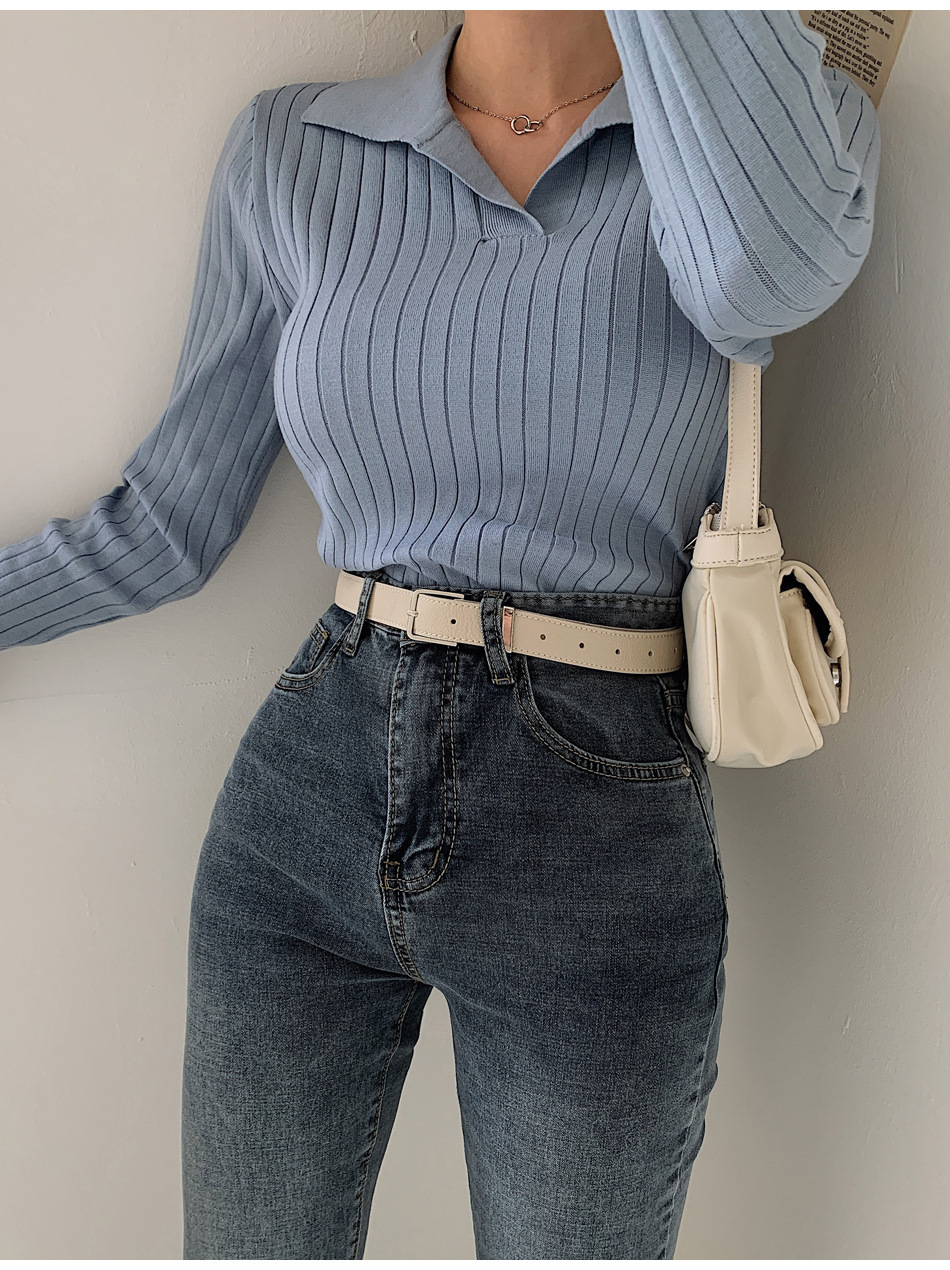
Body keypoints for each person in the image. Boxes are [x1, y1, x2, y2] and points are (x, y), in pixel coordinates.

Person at [0, 10, 880, 1260]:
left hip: (597, 837)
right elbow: (170, 523)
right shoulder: (295, 148)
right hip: (308, 793)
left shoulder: (795, 121)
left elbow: (764, 282)